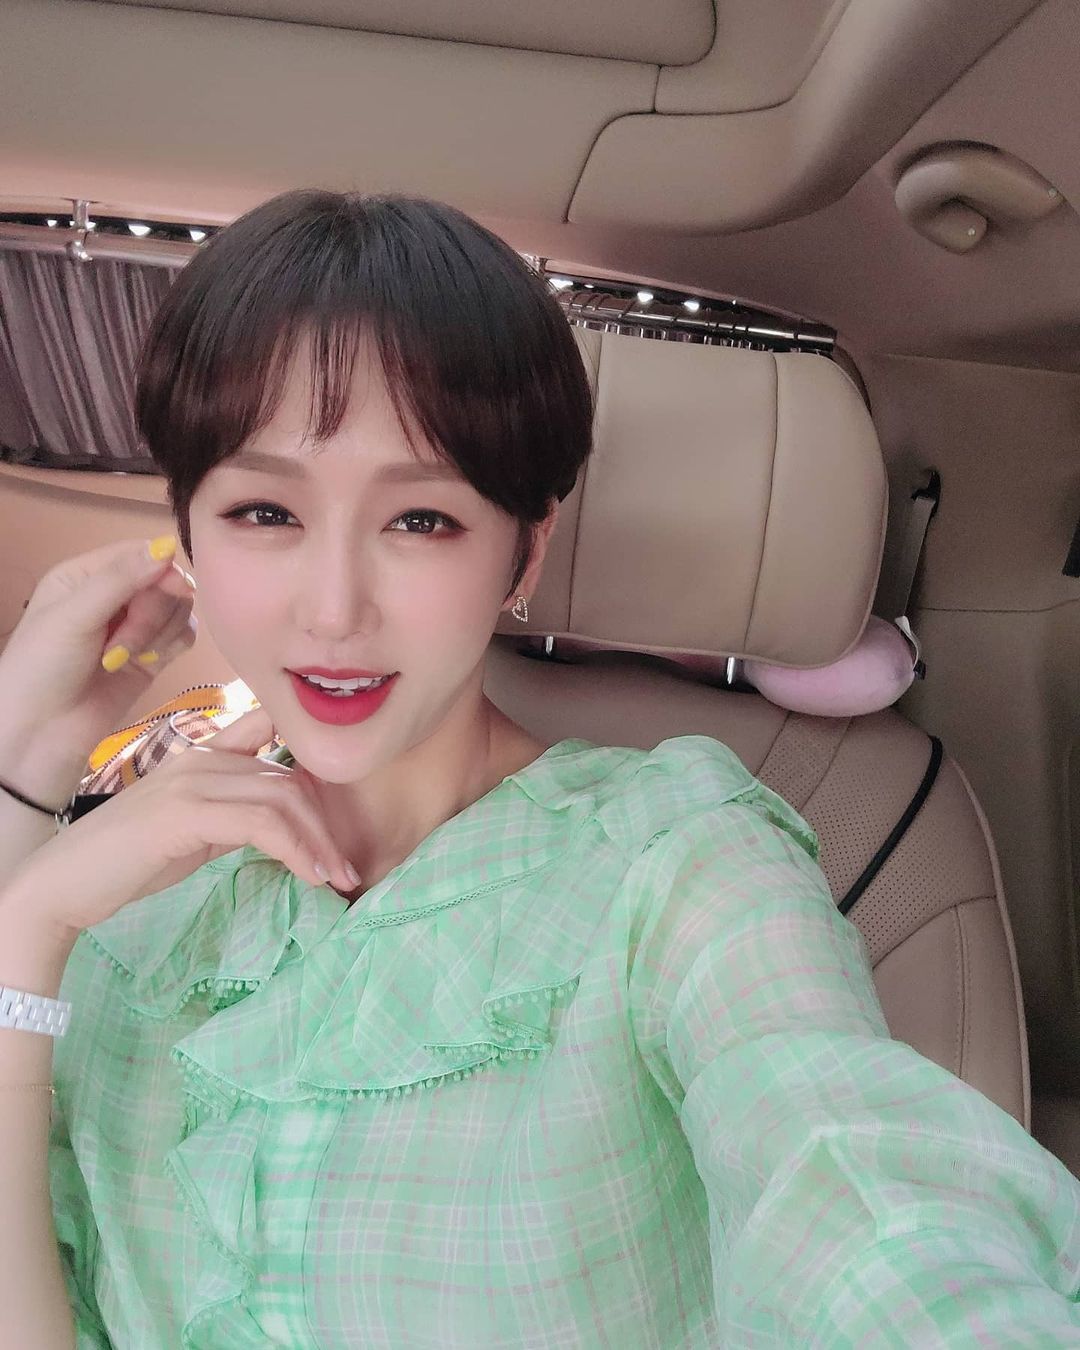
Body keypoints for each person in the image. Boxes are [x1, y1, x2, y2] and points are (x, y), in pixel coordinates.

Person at [1, 190, 1080, 1350]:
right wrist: (26, 820)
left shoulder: (676, 861)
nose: (334, 609)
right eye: (265, 512)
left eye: (421, 521)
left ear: (526, 549)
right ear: (187, 533)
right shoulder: (126, 905)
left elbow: (849, 1171)